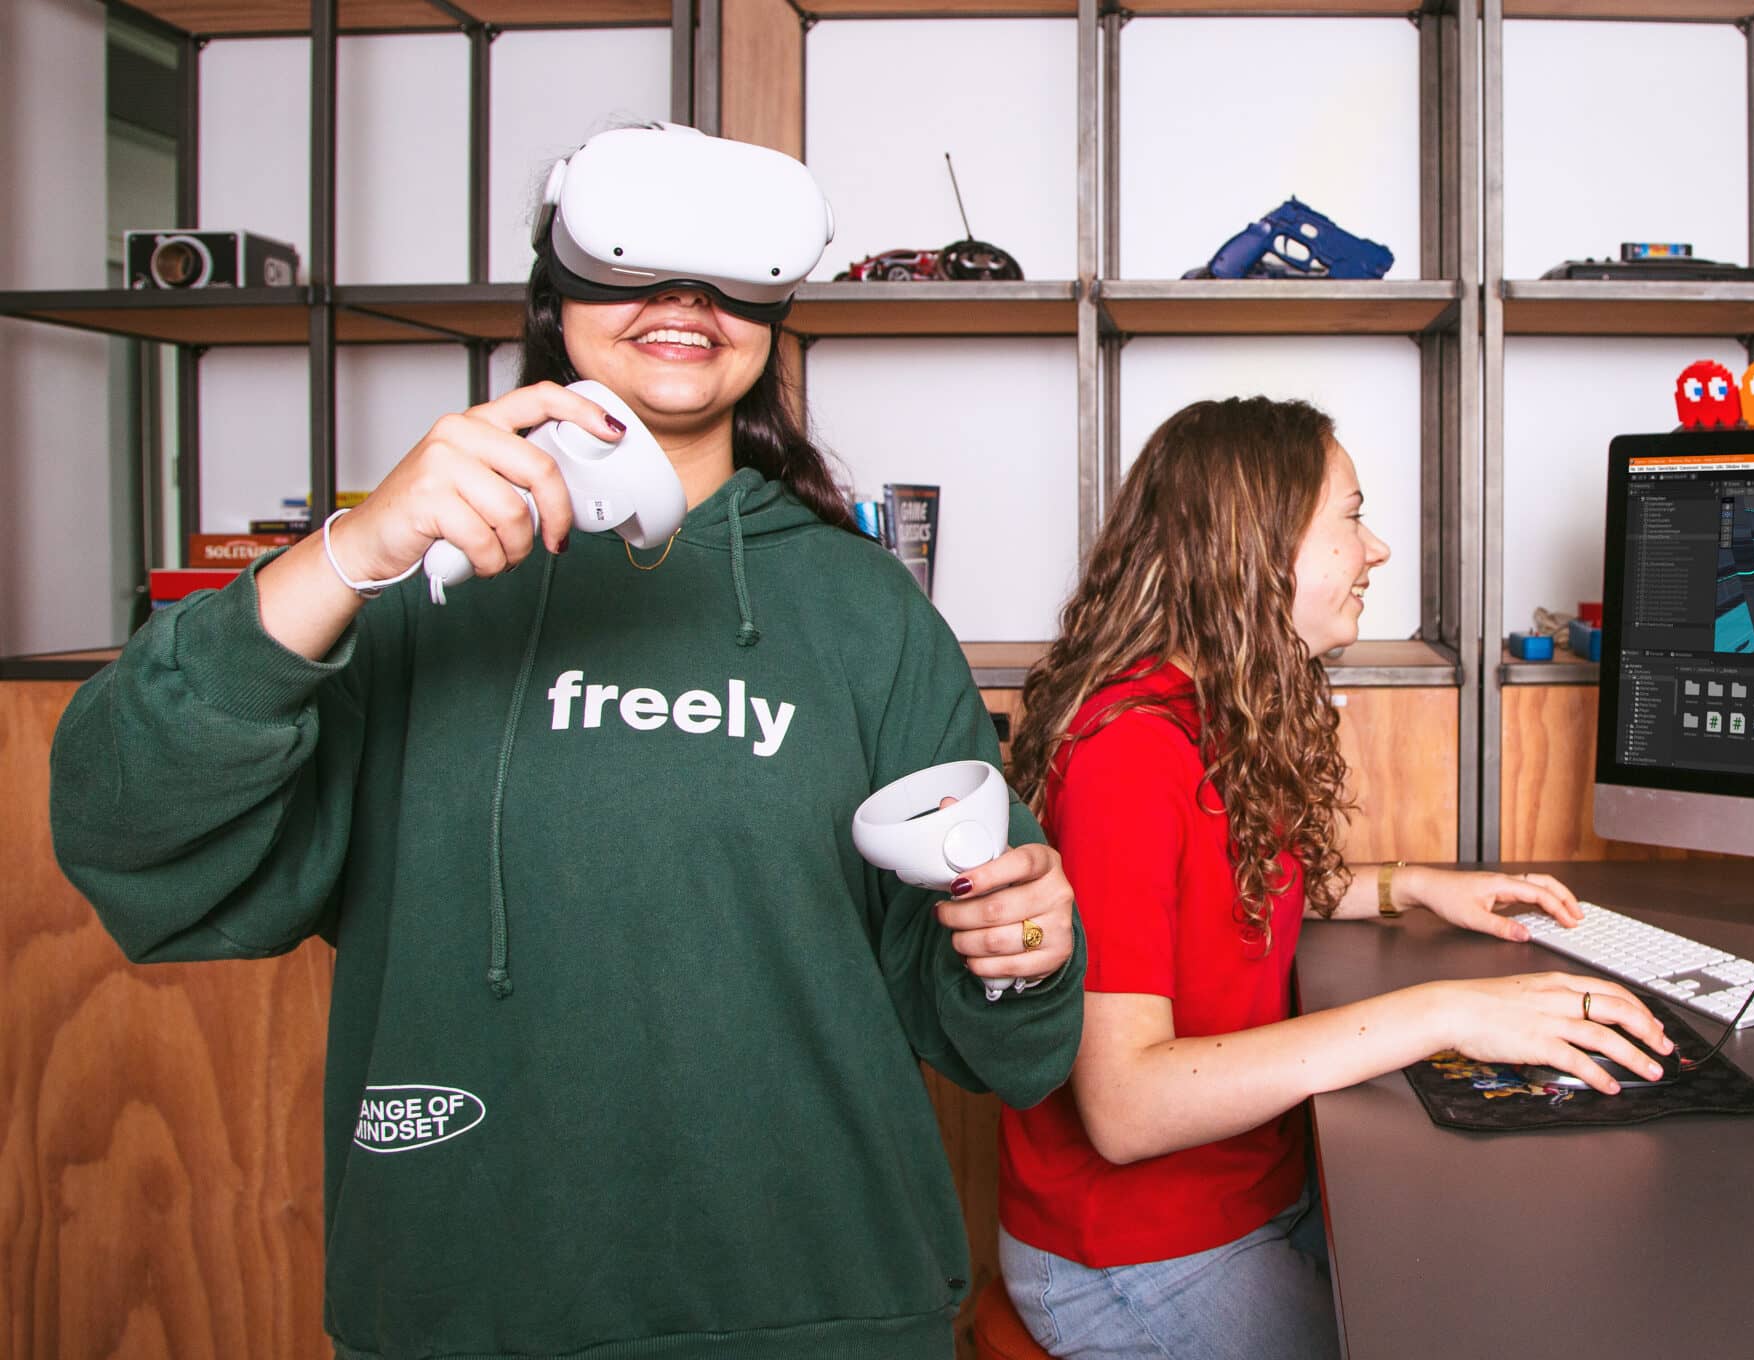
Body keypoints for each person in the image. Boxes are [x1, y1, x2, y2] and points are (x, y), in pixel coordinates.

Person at [48, 125, 1082, 1360]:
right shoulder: (401, 586)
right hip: (468, 1310)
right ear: (554, 294)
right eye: (637, 261)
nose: (685, 300)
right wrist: (350, 550)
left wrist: (1023, 946)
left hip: (823, 1306)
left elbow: (998, 1035)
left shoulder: (868, 611)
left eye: (728, 274)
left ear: (772, 315)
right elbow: (125, 836)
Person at [994, 396, 1671, 1359]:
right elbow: (1126, 1105)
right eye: (1351, 518)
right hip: (1134, 1252)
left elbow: (1235, 880)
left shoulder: (1207, 704)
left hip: (1248, 1197)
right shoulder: (1128, 755)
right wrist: (1441, 1013)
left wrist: (1414, 885)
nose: (1377, 549)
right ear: (1255, 549)